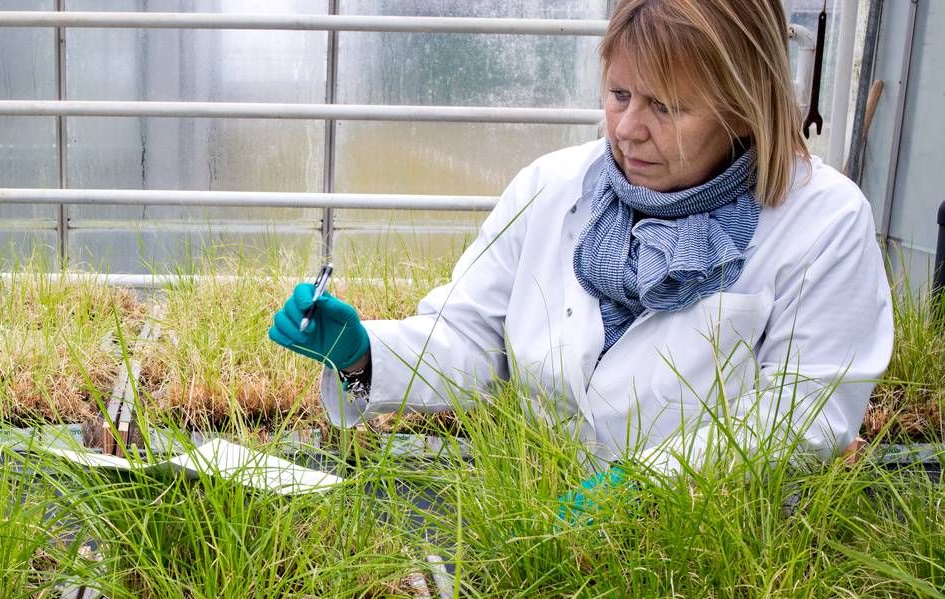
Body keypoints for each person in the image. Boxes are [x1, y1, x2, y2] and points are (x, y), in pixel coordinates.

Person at [268, 0, 892, 507]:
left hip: (717, 563)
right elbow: (469, 338)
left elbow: (805, 416)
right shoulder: (553, 187)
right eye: (619, 94)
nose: (626, 129)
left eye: (666, 107)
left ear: (742, 106)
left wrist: (648, 486)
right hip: (542, 524)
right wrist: (363, 356)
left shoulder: (824, 221)